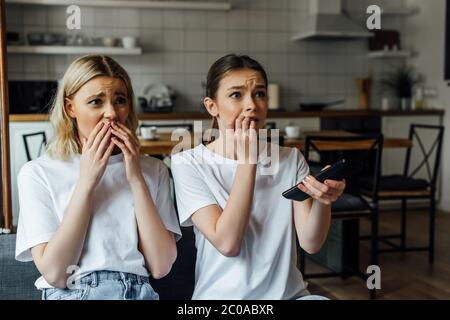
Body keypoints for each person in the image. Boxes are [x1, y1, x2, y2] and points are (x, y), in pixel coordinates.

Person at [171, 54, 345, 300]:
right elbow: (227, 243)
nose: (252, 104)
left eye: (260, 94)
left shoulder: (291, 159)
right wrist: (248, 161)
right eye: (236, 95)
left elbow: (311, 243)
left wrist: (323, 201)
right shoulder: (188, 163)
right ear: (212, 106)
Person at [15, 55, 181, 300]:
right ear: (70, 108)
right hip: (74, 292)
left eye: (120, 100)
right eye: (96, 102)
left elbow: (160, 266)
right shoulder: (37, 173)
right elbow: (56, 273)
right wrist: (87, 181)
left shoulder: (153, 170)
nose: (111, 113)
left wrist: (136, 178)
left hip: (140, 292)